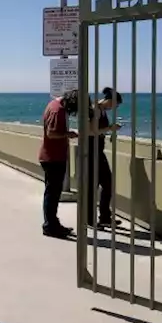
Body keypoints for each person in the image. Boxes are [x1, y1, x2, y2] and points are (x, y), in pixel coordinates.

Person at [39, 89, 79, 239]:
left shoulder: (53, 104)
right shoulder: (59, 110)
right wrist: (68, 134)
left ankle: (53, 223)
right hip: (53, 158)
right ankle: (50, 225)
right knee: (52, 194)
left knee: (52, 193)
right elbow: (51, 133)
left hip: (51, 156)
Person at [86, 88, 123, 229]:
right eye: (116, 104)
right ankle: (89, 220)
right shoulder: (95, 109)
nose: (115, 107)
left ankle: (105, 217)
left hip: (98, 151)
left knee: (107, 183)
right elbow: (90, 131)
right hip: (91, 151)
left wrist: (109, 130)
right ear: (111, 100)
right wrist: (110, 128)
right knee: (92, 185)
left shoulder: (101, 111)